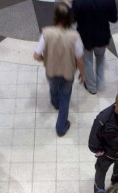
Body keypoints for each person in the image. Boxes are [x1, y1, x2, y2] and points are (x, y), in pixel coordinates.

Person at [34, 3, 86, 137]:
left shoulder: (46, 32)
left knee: (53, 87)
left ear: (55, 17)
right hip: (68, 73)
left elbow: (36, 55)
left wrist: (45, 60)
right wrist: (82, 73)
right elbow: (79, 59)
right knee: (66, 97)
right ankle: (61, 127)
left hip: (51, 70)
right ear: (70, 18)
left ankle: (54, 102)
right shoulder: (75, 36)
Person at [72, 0, 118, 95]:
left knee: (88, 62)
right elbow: (114, 19)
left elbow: (72, 19)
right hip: (102, 37)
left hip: (85, 39)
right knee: (100, 59)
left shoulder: (78, 2)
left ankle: (92, 87)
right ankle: (100, 83)